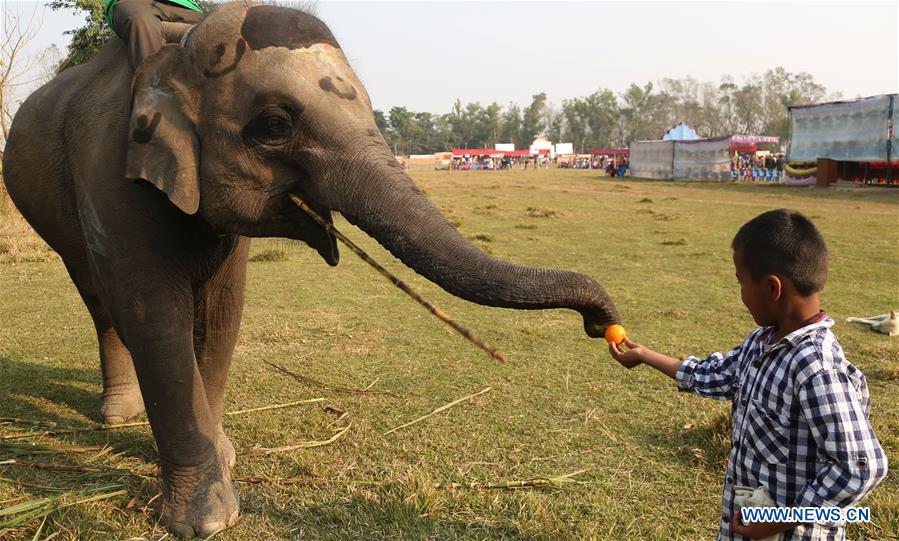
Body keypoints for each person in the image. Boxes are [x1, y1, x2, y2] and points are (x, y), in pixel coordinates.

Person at [608, 209, 888, 541]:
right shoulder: (763, 341)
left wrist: (783, 518)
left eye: (741, 280)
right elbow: (713, 375)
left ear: (772, 287)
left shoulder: (817, 370)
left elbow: (862, 467)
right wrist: (644, 356)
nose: (740, 293)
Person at [105, 0, 205, 70]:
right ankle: (152, 92)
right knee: (139, 19)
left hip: (183, 5)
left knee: (212, 29)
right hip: (135, 3)